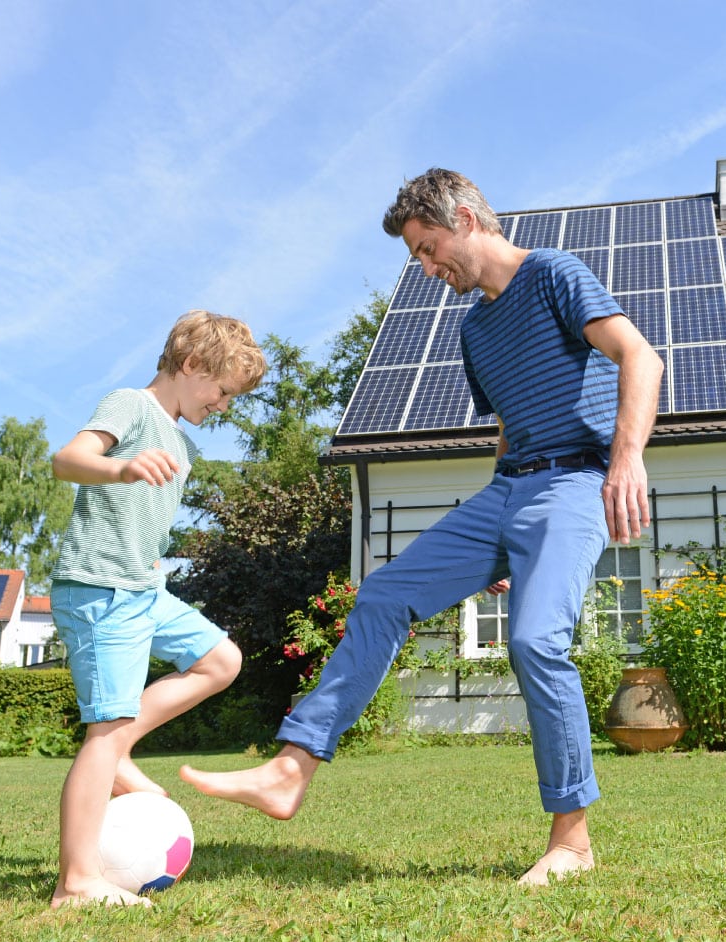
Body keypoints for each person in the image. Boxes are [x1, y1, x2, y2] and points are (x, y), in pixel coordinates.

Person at [180, 169, 663, 885]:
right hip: (510, 491)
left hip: (575, 481)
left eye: (429, 248)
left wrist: (626, 461)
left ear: (467, 219)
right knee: (382, 595)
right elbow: (509, 430)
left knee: (535, 641)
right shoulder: (475, 329)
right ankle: (291, 768)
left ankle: (572, 840)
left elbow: (640, 357)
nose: (428, 268)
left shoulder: (556, 274)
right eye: (418, 257)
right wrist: (495, 538)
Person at [49, 309, 267, 907]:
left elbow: (141, 522)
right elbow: (67, 459)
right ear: (192, 365)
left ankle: (116, 751)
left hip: (142, 589)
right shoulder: (131, 404)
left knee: (220, 660)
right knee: (106, 727)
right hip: (100, 588)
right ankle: (77, 881)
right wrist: (120, 466)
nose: (223, 405)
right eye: (221, 391)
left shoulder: (178, 438)